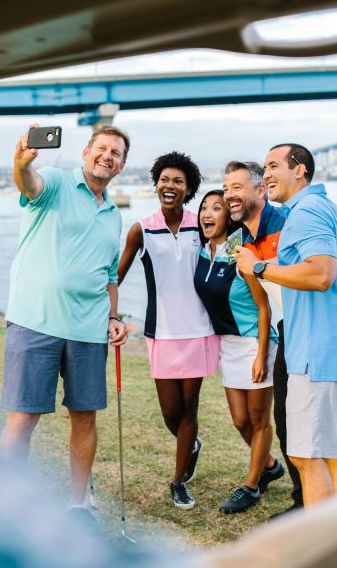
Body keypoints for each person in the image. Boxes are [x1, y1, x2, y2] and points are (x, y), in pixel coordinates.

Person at [0, 125, 130, 526]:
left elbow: (109, 276)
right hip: (35, 321)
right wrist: (20, 164)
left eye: (116, 153)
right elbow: (29, 183)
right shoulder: (55, 182)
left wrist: (112, 316)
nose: (108, 156)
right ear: (87, 152)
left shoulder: (113, 216)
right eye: (102, 148)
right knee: (22, 418)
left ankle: (77, 504)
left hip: (89, 332)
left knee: (84, 417)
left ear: (122, 165)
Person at [237, 143, 337, 507]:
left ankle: (324, 545)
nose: (265, 174)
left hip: (314, 355)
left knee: (306, 457)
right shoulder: (334, 211)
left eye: (273, 165)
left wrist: (259, 267)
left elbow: (321, 273)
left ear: (299, 170)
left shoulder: (304, 213)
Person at [116, 151, 217, 510]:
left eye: (178, 181)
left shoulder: (201, 225)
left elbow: (229, 259)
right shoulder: (140, 229)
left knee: (189, 411)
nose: (169, 186)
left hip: (200, 331)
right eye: (164, 179)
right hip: (161, 333)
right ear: (156, 183)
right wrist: (110, 315)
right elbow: (116, 276)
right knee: (170, 414)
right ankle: (190, 445)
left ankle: (177, 481)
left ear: (188, 189)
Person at [207, 162, 287, 513]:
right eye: (226, 189)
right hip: (231, 343)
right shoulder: (234, 242)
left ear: (258, 190)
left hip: (258, 342)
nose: (228, 195)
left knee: (258, 421)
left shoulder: (262, 237)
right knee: (240, 420)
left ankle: (251, 486)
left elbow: (262, 301)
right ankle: (270, 466)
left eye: (235, 187)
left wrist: (260, 353)